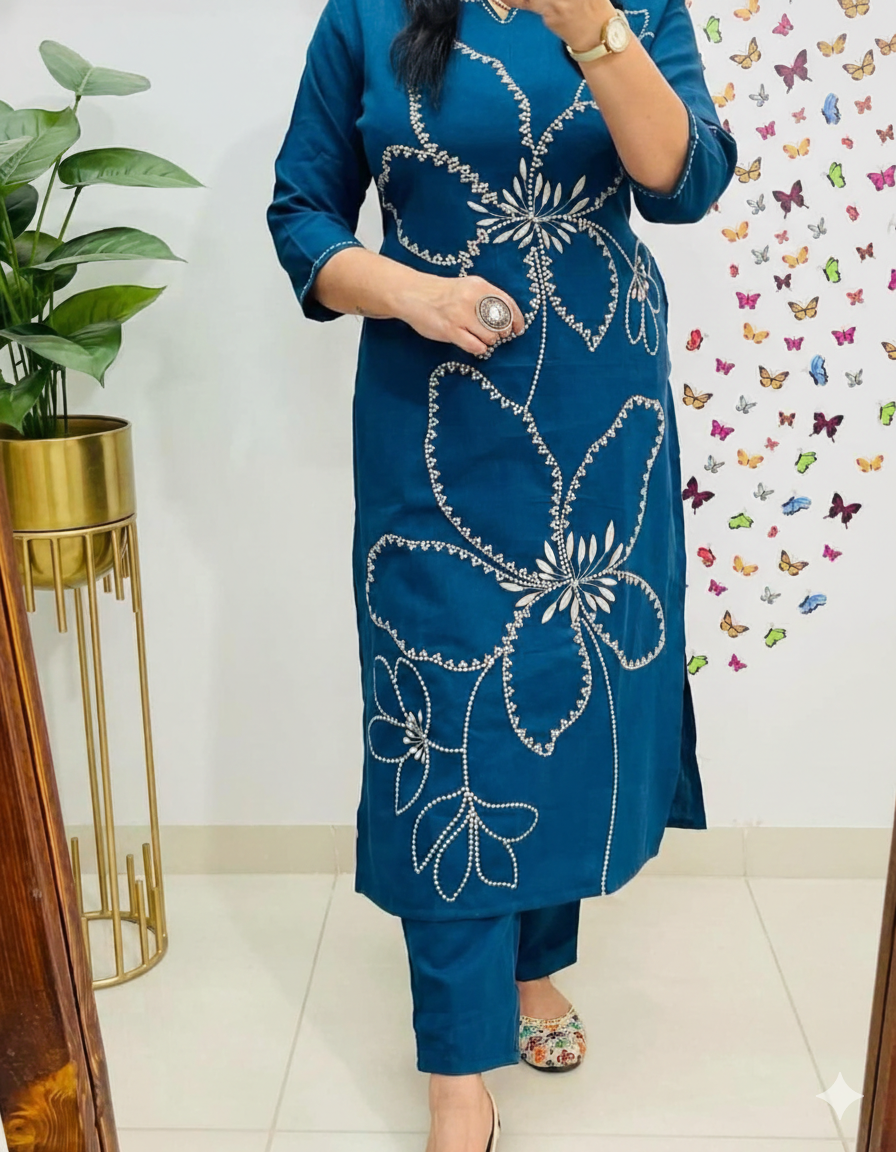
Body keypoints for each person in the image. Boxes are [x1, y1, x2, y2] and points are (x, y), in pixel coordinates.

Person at [267, 0, 738, 1147]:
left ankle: (533, 968)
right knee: (446, 721)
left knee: (560, 696)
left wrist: (592, 29)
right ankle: (455, 1068)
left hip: (598, 410)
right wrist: (409, 291)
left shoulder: (633, 8)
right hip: (431, 424)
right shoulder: (366, 15)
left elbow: (683, 182)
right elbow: (301, 213)